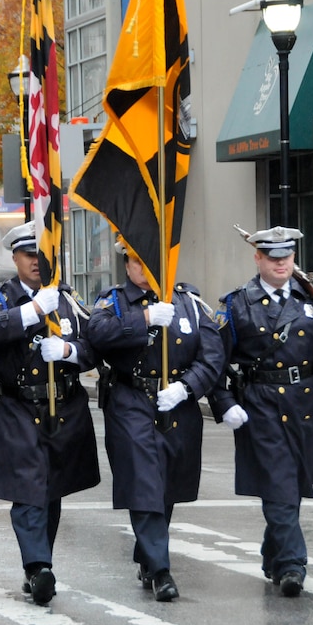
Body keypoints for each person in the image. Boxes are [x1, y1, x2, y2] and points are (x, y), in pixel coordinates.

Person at [208, 226, 313, 598]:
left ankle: (272, 553)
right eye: (273, 258)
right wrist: (225, 403)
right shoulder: (237, 303)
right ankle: (293, 564)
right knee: (278, 483)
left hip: (307, 402)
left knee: (292, 485)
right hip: (261, 402)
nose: (281, 264)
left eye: (287, 258)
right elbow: (213, 361)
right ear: (257, 258)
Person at [85, 239, 224, 602]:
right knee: (143, 481)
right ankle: (161, 570)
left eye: (153, 262)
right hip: (131, 400)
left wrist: (186, 388)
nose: (145, 270)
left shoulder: (189, 303)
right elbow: (97, 335)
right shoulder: (112, 301)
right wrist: (142, 319)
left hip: (176, 404)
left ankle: (148, 554)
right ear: (126, 263)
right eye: (137, 261)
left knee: (166, 486)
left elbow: (212, 358)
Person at [0, 221, 100, 605]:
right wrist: (31, 312)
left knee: (52, 490)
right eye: (29, 255)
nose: (36, 262)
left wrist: (68, 352)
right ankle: (37, 567)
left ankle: (39, 562)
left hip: (62, 406)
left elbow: (94, 345)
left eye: (42, 255)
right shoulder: (2, 296)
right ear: (15, 257)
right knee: (29, 491)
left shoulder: (66, 297)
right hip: (19, 405)